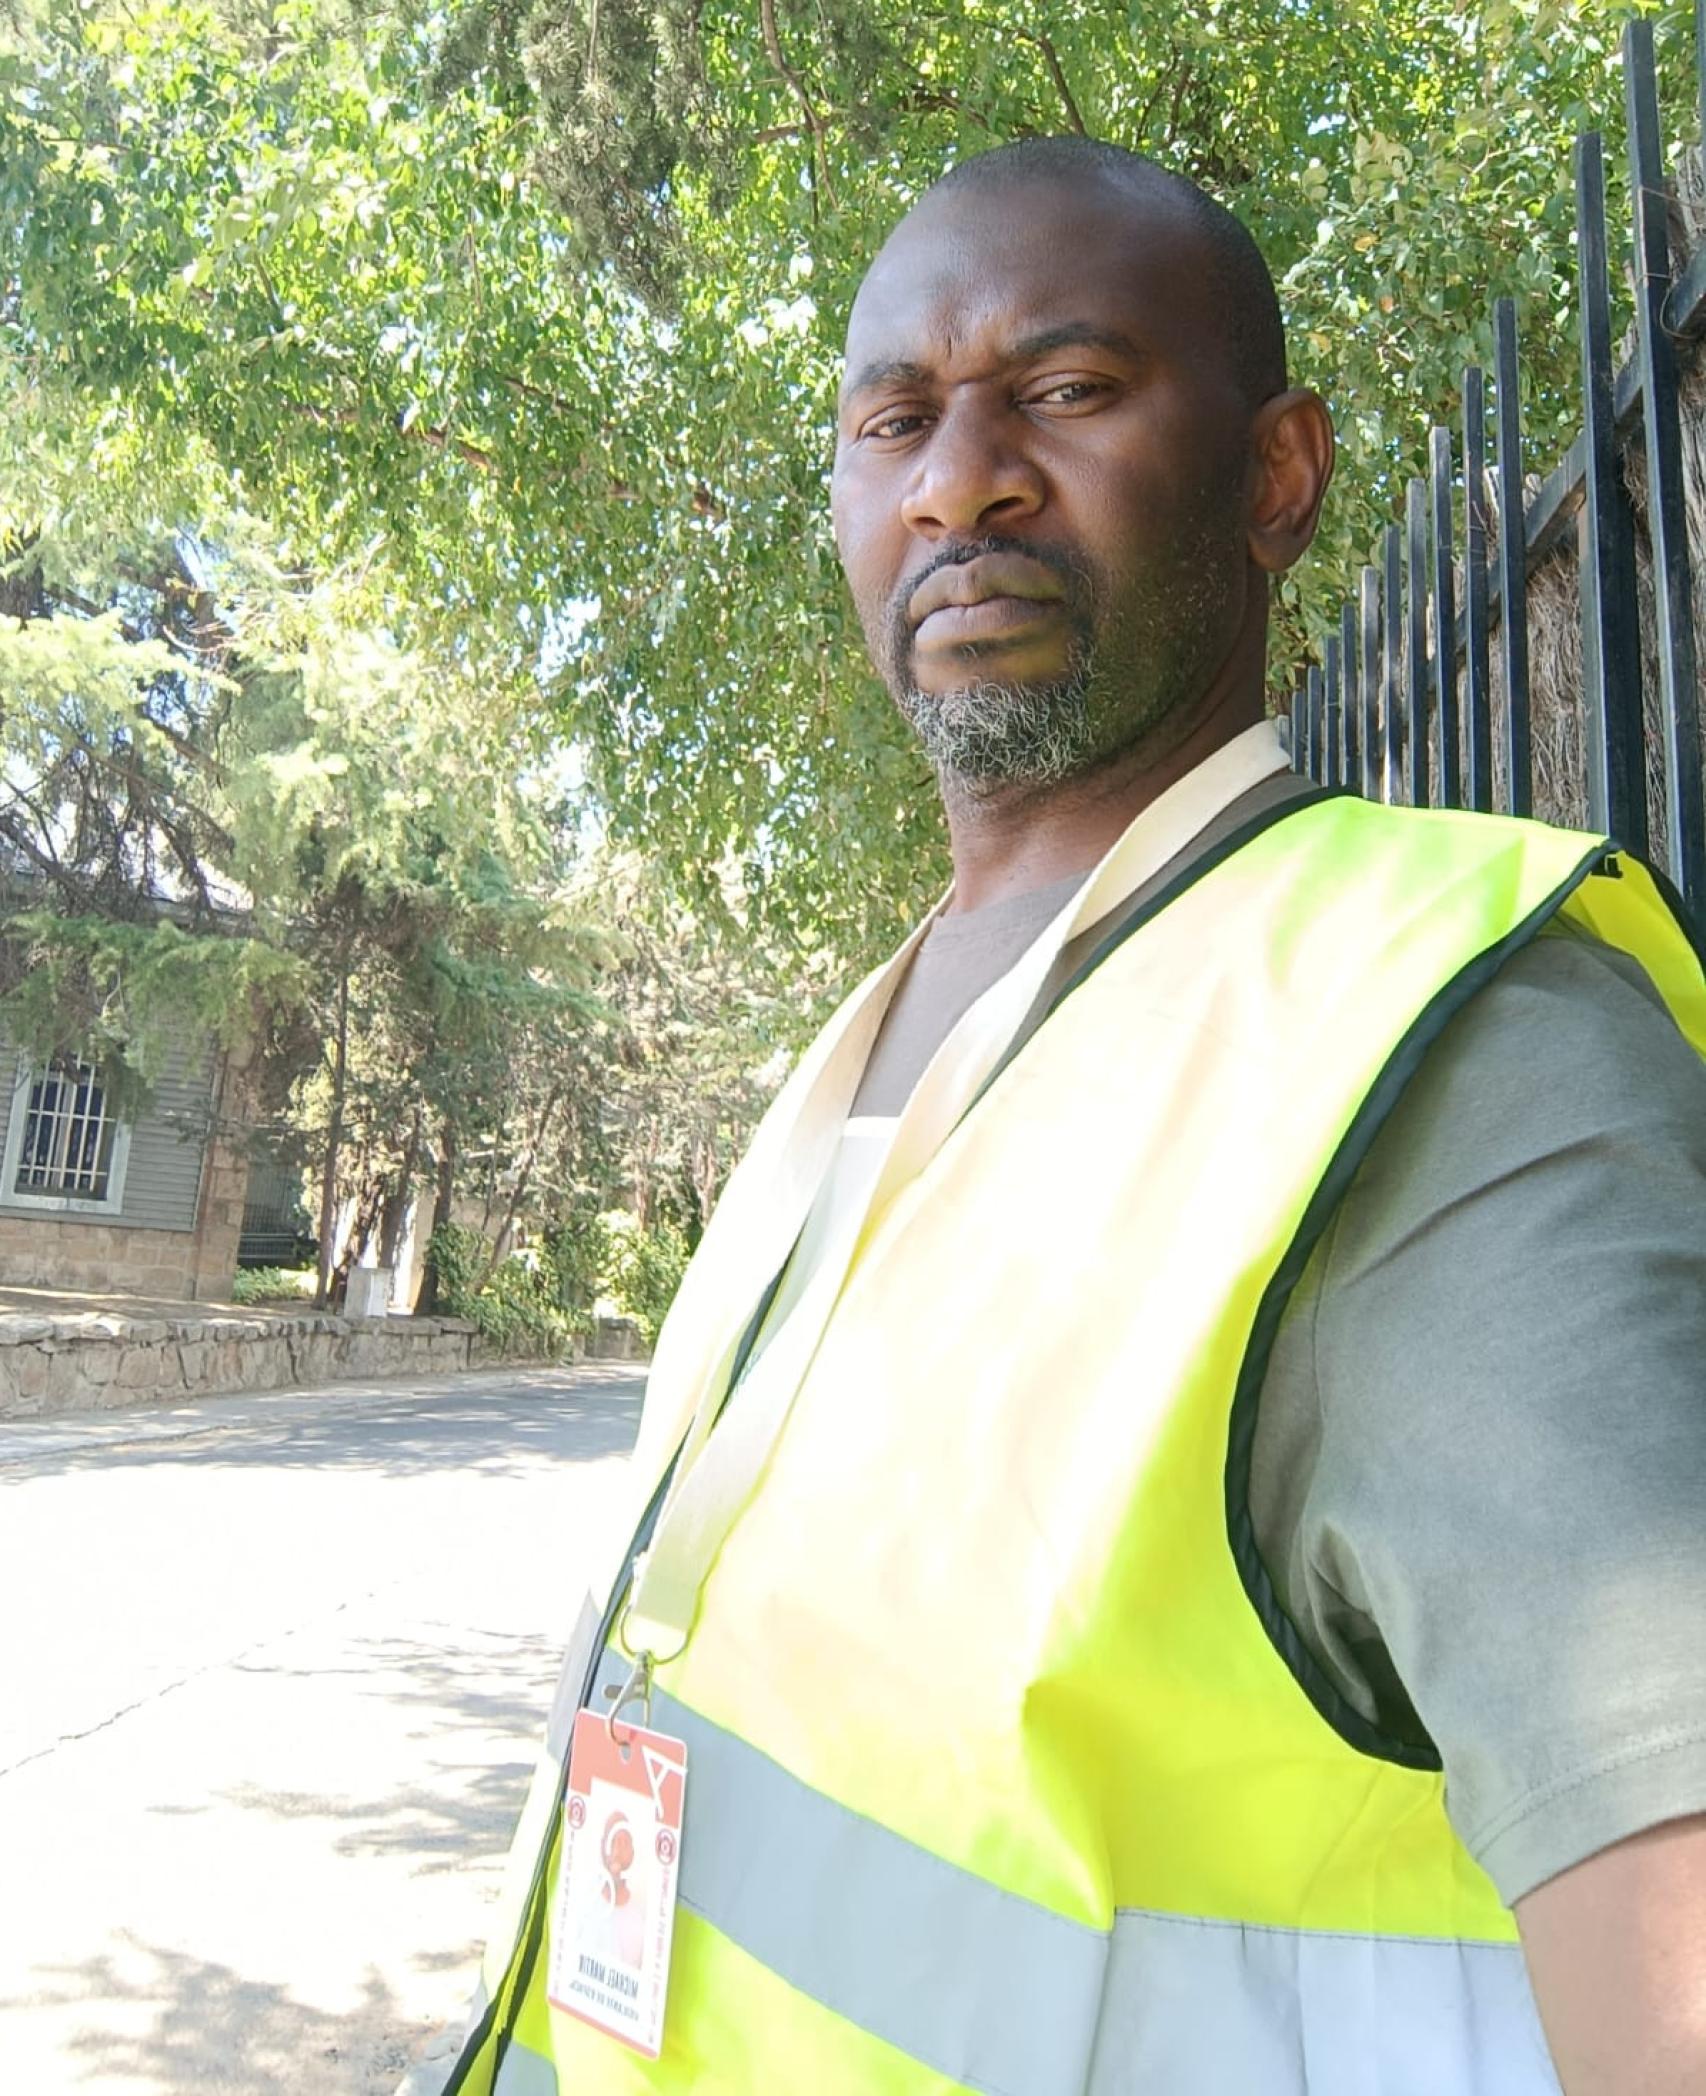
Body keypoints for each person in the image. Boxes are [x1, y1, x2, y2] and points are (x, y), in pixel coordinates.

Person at [443, 139, 1706, 2095]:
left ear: (1275, 475)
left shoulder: (1453, 1050)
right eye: (893, 421)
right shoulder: (868, 1035)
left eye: (1067, 391)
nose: (960, 478)